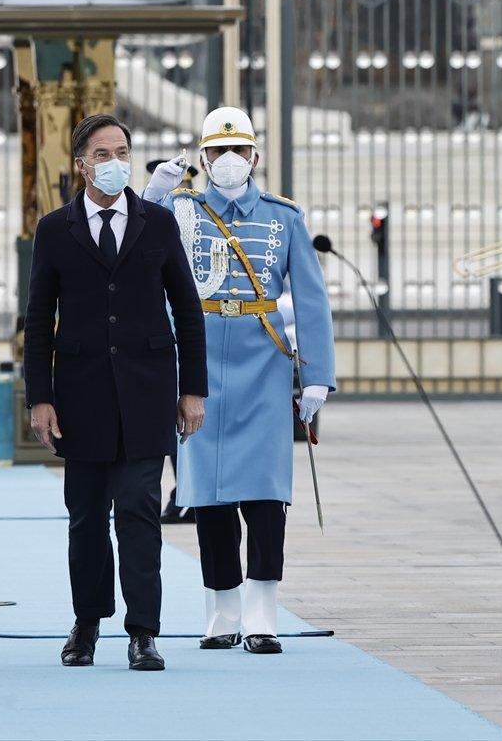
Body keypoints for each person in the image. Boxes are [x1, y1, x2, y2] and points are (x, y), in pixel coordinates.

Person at [144, 107, 336, 654]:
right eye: (216, 152)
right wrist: (156, 192)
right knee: (207, 495)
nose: (228, 161)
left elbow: (313, 301)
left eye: (239, 150)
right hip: (197, 360)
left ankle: (262, 610)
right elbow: (134, 236)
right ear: (201, 159)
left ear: (255, 155)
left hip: (263, 362)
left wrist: (317, 376)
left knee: (265, 493)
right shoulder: (181, 209)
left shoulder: (284, 218)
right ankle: (222, 607)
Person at [24, 114, 207, 672]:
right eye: (101, 154)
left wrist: (192, 390)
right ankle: (86, 623)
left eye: (121, 151)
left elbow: (188, 310)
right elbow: (38, 319)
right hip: (79, 399)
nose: (114, 162)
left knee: (138, 514)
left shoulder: (156, 223)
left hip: (148, 395)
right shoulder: (56, 229)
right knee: (85, 520)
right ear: (81, 165)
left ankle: (143, 631)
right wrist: (40, 397)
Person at [146, 156, 200, 525]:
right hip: (161, 340)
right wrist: (152, 195)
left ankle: (190, 494)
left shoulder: (199, 219)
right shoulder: (156, 214)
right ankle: (184, 494)